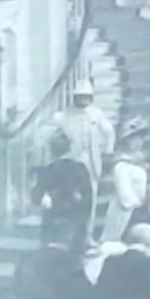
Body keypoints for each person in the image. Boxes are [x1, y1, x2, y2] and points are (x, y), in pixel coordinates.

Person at [51, 79, 115, 239]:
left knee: (90, 200)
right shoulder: (63, 116)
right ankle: (69, 236)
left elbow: (109, 132)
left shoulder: (96, 114)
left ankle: (87, 236)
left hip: (90, 163)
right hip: (70, 163)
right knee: (70, 198)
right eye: (80, 97)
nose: (83, 100)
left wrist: (107, 151)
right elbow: (49, 135)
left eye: (86, 97)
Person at [32, 131, 94, 249]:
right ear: (69, 148)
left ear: (51, 151)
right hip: (77, 225)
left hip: (53, 227)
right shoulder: (80, 169)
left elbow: (36, 199)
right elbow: (88, 199)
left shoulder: (47, 171)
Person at [101, 116, 150, 243]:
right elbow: (125, 197)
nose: (137, 142)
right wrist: (139, 206)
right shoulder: (121, 165)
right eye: (132, 139)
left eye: (140, 138)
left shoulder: (141, 162)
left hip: (140, 210)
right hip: (125, 212)